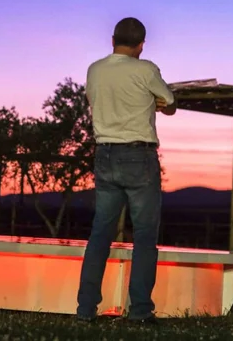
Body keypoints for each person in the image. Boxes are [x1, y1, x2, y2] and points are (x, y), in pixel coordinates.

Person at [76, 17, 177, 324]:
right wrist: (159, 103)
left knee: (100, 234)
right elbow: (170, 102)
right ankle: (140, 311)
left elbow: (95, 101)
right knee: (145, 236)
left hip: (104, 154)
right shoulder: (146, 69)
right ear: (141, 44)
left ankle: (85, 310)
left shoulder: (95, 69)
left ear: (112, 40)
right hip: (138, 157)